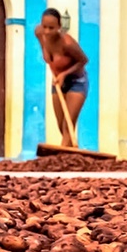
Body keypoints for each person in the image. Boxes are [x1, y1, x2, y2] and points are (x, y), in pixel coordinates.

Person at [35, 8, 89, 147]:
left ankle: (60, 161)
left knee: (68, 125)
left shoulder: (67, 43)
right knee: (61, 126)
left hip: (77, 82)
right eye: (44, 26)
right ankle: (73, 160)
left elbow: (83, 60)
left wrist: (64, 74)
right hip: (58, 82)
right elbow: (46, 53)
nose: (47, 31)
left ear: (59, 27)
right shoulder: (39, 33)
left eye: (51, 28)